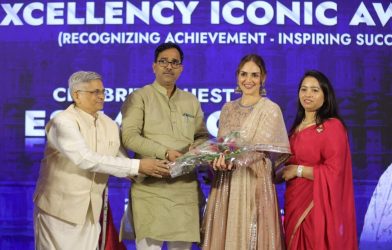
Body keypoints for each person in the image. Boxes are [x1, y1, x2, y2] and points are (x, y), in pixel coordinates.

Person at [33, 71, 170, 250]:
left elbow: (119, 160)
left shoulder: (109, 124)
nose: (101, 96)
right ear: (76, 95)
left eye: (102, 91)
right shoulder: (62, 122)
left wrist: (159, 170)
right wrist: (138, 166)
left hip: (91, 212)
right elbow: (84, 158)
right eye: (94, 92)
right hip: (59, 212)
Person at [120, 42, 209, 249]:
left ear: (181, 68)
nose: (169, 66)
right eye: (163, 62)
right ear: (154, 66)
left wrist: (196, 151)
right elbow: (129, 137)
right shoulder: (139, 97)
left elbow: (202, 136)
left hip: (185, 189)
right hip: (150, 189)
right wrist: (164, 152)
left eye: (174, 62)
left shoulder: (191, 101)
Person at [201, 54, 291, 250]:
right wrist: (212, 159)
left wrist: (235, 161)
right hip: (226, 183)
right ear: (237, 76)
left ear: (263, 78)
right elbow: (222, 146)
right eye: (243, 74)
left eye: (254, 75)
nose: (248, 80)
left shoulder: (270, 109)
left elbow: (261, 151)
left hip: (253, 182)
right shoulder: (228, 108)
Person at [282, 70, 358, 249]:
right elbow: (288, 164)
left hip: (317, 207)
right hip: (293, 202)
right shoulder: (295, 128)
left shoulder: (332, 127)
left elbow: (334, 171)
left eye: (315, 90)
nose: (308, 94)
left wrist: (298, 170)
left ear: (326, 95)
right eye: (304, 89)